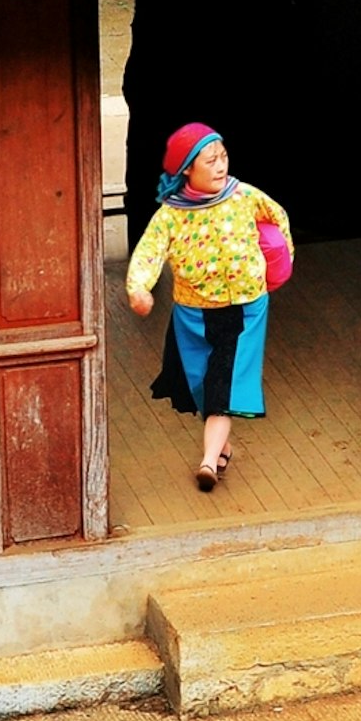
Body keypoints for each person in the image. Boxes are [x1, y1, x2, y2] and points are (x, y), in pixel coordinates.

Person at [126, 122, 287, 489]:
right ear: (187, 169)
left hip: (245, 308)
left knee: (222, 387)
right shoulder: (171, 214)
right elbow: (148, 253)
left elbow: (278, 221)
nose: (220, 167)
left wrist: (276, 269)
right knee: (201, 386)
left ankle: (208, 463)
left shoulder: (245, 196)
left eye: (223, 157)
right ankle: (222, 448)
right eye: (210, 161)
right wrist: (139, 290)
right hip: (193, 313)